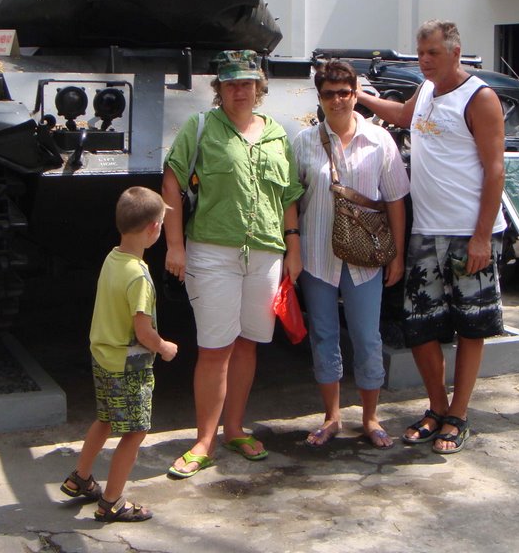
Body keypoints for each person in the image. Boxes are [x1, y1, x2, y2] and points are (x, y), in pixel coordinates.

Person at [355, 20, 506, 455]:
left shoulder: (480, 99)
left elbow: (496, 169)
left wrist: (481, 237)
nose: (424, 61)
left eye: (432, 54)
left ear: (456, 53)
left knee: (470, 325)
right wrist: (358, 96)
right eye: (420, 53)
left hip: (467, 234)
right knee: (420, 325)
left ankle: (458, 415)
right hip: (426, 230)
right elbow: (402, 115)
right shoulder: (424, 92)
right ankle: (436, 407)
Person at [162, 49, 303, 478]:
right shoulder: (201, 126)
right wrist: (175, 246)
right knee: (215, 348)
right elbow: (172, 180)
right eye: (230, 83)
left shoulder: (277, 133)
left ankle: (235, 428)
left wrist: (292, 248)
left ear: (259, 88)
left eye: (247, 83)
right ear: (219, 88)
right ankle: (203, 440)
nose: (239, 90)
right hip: (212, 252)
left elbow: (289, 197)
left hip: (265, 254)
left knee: (247, 344)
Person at [292, 60, 409, 449]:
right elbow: (292, 200)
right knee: (324, 334)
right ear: (320, 97)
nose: (339, 100)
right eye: (330, 93)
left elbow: (394, 201)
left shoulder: (380, 141)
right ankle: (331, 417)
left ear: (356, 92)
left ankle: (371, 417)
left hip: (366, 258)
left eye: (346, 92)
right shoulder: (304, 142)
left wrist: (397, 254)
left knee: (366, 336)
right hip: (317, 255)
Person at [59, 186, 177, 523]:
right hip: (130, 366)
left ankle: (80, 477)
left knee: (106, 417)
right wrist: (164, 347)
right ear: (153, 229)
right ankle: (112, 501)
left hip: (103, 358)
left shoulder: (113, 258)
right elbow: (142, 331)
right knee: (135, 431)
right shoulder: (139, 276)